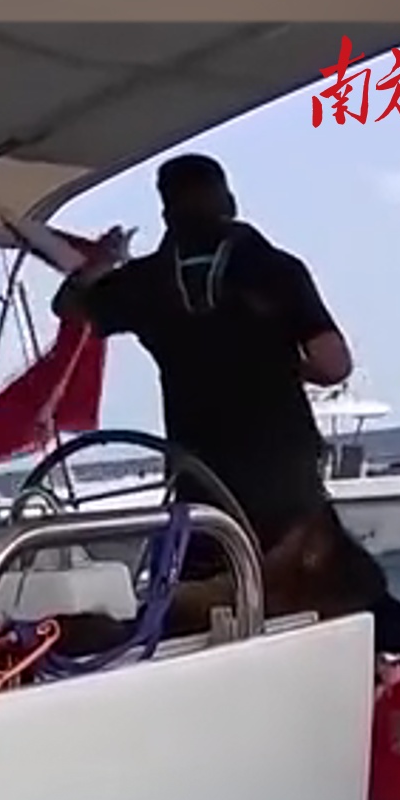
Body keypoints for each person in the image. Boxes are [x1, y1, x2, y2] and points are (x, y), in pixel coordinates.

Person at [53, 153, 351, 553]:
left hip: (203, 483)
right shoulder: (276, 268)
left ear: (166, 213)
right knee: (313, 581)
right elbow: (333, 365)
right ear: (227, 200)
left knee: (212, 582)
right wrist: (278, 364)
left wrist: (101, 262)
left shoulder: (143, 282)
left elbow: (67, 306)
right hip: (286, 476)